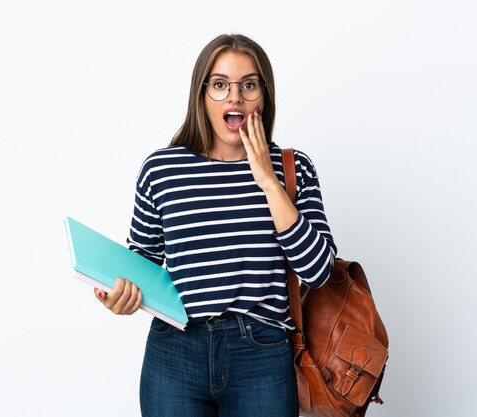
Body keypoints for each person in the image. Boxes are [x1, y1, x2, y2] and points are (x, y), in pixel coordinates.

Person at [93, 33, 337, 417]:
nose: (235, 97)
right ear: (202, 94)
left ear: (264, 96)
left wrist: (268, 182)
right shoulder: (162, 170)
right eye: (220, 85)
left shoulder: (293, 168)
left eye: (249, 85)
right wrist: (121, 293)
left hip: (262, 353)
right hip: (174, 350)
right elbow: (143, 259)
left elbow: (318, 271)